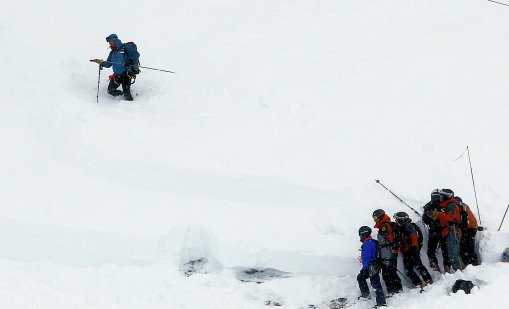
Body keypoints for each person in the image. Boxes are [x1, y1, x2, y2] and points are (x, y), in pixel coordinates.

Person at [91, 34, 139, 101]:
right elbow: (108, 64)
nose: (110, 43)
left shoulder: (125, 47)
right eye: (109, 42)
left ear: (115, 41)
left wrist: (130, 61)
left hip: (126, 74)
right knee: (110, 91)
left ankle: (132, 104)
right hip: (117, 75)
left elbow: (136, 54)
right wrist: (101, 63)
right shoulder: (112, 52)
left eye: (110, 41)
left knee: (127, 97)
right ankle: (121, 95)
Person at [394, 212, 433, 288]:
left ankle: (427, 280)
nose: (395, 220)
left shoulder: (409, 226)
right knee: (409, 269)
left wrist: (414, 248)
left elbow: (414, 236)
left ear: (401, 220)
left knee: (418, 266)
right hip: (406, 251)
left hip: (411, 250)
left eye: (397, 219)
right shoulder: (402, 227)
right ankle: (419, 283)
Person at [372, 209, 403, 296]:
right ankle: (397, 289)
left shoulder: (384, 226)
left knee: (387, 273)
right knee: (391, 271)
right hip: (391, 251)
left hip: (388, 253)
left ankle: (392, 290)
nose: (374, 219)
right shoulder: (388, 224)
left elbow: (385, 240)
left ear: (380, 216)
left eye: (375, 217)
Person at [432, 189, 463, 271]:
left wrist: (438, 214)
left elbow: (450, 217)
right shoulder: (446, 206)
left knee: (454, 254)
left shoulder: (452, 205)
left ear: (447, 197)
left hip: (453, 230)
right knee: (451, 254)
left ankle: (462, 273)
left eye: (442, 196)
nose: (440, 198)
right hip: (449, 230)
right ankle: (459, 272)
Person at [357, 226, 387, 308]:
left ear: (363, 234)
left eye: (360, 235)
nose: (360, 237)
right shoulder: (372, 242)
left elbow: (367, 258)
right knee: (361, 278)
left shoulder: (367, 244)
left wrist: (365, 269)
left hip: (371, 266)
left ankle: (381, 303)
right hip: (375, 265)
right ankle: (366, 295)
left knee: (375, 284)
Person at [423, 190, 450, 273]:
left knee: (431, 250)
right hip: (443, 230)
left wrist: (431, 221)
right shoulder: (444, 204)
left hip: (434, 231)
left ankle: (435, 266)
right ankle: (447, 266)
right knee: (445, 250)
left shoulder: (428, 206)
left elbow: (425, 219)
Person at [456, 196, 480, 267]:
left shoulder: (459, 207)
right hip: (472, 229)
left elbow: (461, 221)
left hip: (465, 230)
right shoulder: (466, 206)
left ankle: (466, 264)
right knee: (470, 248)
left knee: (463, 248)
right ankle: (474, 264)